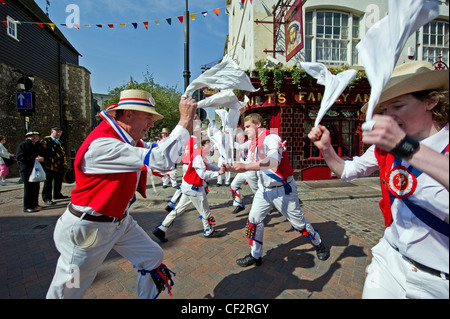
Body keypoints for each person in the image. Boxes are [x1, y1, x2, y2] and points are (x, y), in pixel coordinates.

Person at [307, 61, 449, 299]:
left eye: (398, 106)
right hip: (391, 260)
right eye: (383, 110)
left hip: (439, 279)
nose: (388, 117)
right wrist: (326, 149)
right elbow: (346, 171)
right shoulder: (387, 148)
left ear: (431, 101)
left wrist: (404, 145)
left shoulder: (402, 143)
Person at [46, 89, 197, 299]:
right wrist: (184, 119)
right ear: (128, 114)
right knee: (68, 291)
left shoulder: (126, 139)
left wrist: (186, 126)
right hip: (87, 229)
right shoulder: (103, 144)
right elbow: (161, 158)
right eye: (148, 117)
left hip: (118, 221)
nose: (151, 124)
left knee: (152, 255)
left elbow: (159, 152)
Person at [225, 113, 330, 267]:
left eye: (248, 126)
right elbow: (248, 164)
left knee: (299, 224)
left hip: (283, 188)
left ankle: (318, 243)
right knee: (253, 221)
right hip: (264, 189)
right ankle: (256, 255)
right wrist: (231, 168)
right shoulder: (254, 143)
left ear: (258, 124)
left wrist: (246, 166)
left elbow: (273, 162)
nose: (245, 130)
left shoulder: (271, 138)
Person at [153, 137, 225, 242]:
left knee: (178, 209)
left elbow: (208, 165)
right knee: (205, 210)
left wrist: (218, 169)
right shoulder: (198, 156)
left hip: (189, 187)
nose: (211, 146)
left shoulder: (200, 154)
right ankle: (208, 231)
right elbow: (202, 174)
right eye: (208, 144)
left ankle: (161, 229)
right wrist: (217, 173)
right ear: (202, 145)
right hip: (194, 188)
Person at [229, 131, 258, 214]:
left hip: (250, 170)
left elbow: (239, 147)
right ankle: (239, 204)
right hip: (242, 170)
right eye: (237, 138)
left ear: (244, 138)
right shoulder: (241, 145)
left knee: (256, 191)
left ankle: (265, 205)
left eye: (240, 138)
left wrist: (230, 139)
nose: (238, 139)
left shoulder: (249, 143)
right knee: (234, 185)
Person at [15, 131, 45, 213]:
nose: (35, 138)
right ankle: (27, 206)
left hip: (36, 169)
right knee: (28, 188)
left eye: (36, 136)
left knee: (36, 187)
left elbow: (42, 154)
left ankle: (35, 204)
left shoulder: (38, 145)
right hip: (27, 169)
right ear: (28, 137)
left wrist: (42, 158)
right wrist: (34, 159)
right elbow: (19, 157)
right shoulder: (23, 145)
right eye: (33, 136)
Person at [39, 126, 68, 204]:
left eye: (59, 132)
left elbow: (63, 153)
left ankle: (57, 194)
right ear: (52, 132)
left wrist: (64, 164)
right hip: (49, 165)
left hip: (59, 165)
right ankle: (47, 198)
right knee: (48, 182)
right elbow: (41, 151)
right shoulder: (46, 140)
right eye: (57, 132)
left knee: (58, 181)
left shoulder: (60, 142)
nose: (58, 134)